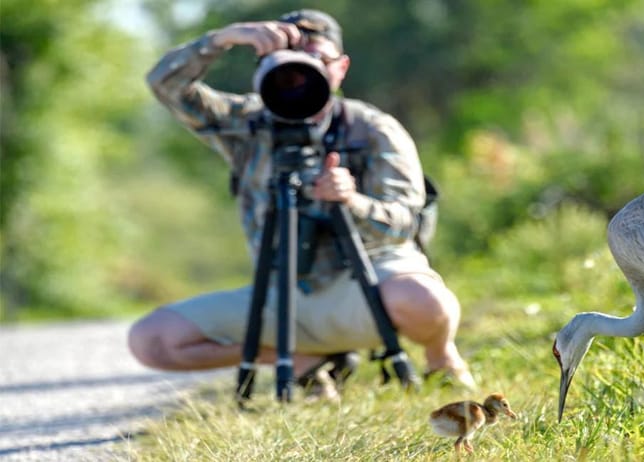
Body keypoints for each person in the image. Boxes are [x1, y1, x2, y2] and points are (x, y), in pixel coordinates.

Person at [128, 9, 476, 400]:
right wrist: (223, 38)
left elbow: (403, 226)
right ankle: (300, 362)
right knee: (153, 340)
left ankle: (440, 356)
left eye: (317, 61)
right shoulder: (248, 123)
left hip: (367, 283)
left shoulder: (373, 129)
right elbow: (164, 85)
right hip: (283, 290)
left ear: (341, 68)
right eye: (291, 62)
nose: (302, 72)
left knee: (426, 302)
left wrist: (351, 201)